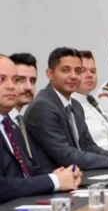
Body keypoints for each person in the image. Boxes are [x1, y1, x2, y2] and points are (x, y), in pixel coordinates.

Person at [24, 48, 108, 171]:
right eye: (65, 70)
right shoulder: (42, 107)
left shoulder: (76, 105)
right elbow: (65, 155)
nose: (73, 76)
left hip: (79, 175)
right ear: (50, 74)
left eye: (78, 71)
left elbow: (88, 146)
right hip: (54, 179)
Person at [0, 54, 81, 203]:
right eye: (1, 79)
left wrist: (59, 175)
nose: (11, 86)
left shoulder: (9, 125)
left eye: (15, 79)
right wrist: (53, 180)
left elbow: (26, 170)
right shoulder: (38, 109)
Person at [72, 51, 108, 156]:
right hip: (98, 162)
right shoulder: (69, 108)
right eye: (83, 71)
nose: (90, 75)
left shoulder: (94, 103)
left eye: (93, 71)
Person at [8, 53, 38, 158]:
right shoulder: (3, 123)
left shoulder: (22, 122)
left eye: (32, 81)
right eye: (20, 80)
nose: (28, 87)